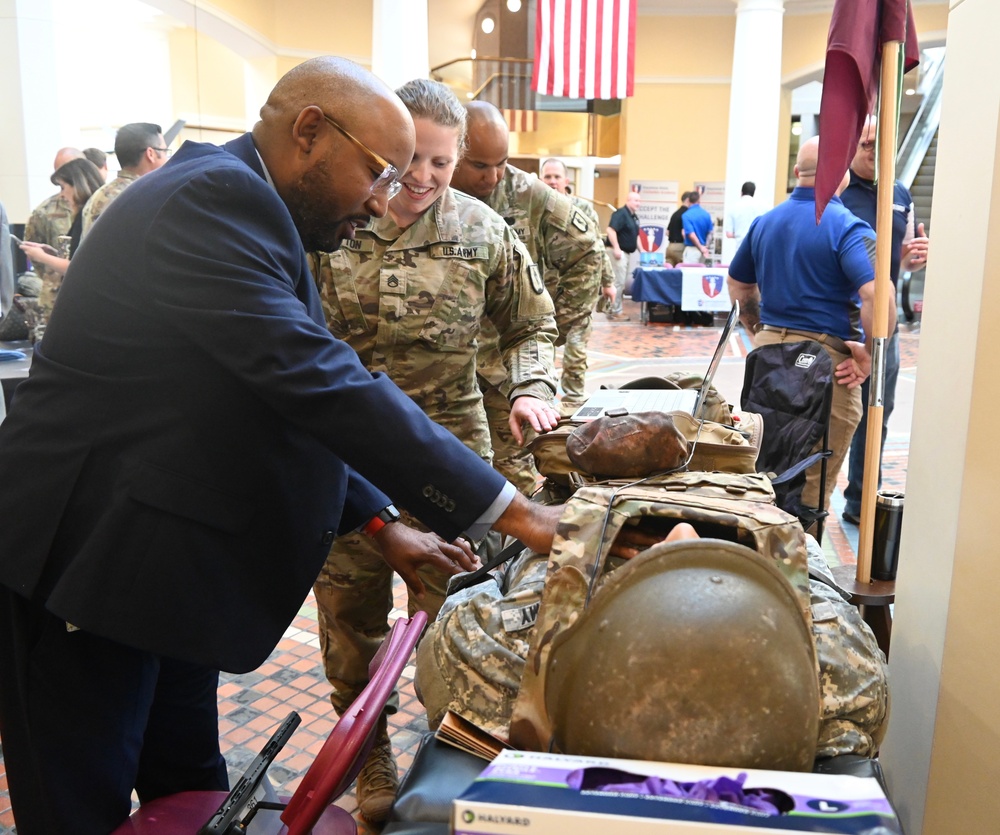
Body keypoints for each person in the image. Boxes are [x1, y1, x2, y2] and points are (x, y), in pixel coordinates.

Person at [0, 56, 563, 835]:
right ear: (309, 133)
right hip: (84, 563)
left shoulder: (253, 210)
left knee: (193, 782)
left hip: (163, 566)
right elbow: (313, 379)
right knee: (81, 803)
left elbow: (271, 395)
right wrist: (517, 513)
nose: (380, 202)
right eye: (377, 174)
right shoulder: (211, 200)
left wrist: (378, 521)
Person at [310, 78, 560, 823]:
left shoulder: (483, 232)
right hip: (345, 462)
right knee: (349, 625)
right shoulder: (334, 227)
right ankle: (369, 756)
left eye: (442, 164)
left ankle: (444, 756)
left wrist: (530, 385)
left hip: (450, 464)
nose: (421, 177)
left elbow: (533, 323)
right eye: (412, 157)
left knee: (458, 621)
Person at [417, 520, 889, 763]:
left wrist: (538, 561)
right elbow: (817, 578)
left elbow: (459, 611)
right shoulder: (842, 676)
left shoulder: (504, 657)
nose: (682, 533)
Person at [726, 135, 896, 519]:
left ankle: (758, 561)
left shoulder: (765, 223)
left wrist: (759, 333)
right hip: (822, 367)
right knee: (811, 483)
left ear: (796, 172)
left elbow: (738, 285)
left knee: (764, 469)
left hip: (767, 356)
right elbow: (877, 297)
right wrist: (870, 356)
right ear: (839, 172)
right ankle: (798, 570)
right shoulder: (847, 227)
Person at [451, 102, 602, 491]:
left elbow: (587, 249)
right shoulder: (426, 189)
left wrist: (556, 327)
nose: (493, 176)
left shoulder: (525, 193)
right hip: (444, 367)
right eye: (480, 165)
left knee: (510, 478)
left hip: (505, 369)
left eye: (501, 162)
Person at [839, 117, 930, 526]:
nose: (873, 149)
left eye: (880, 142)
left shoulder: (899, 193)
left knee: (879, 412)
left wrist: (913, 259)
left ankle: (861, 501)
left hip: (885, 328)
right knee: (835, 411)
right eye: (865, 142)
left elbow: (902, 261)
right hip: (842, 322)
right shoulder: (838, 191)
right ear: (852, 145)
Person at [539, 157, 616, 410]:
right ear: (541, 179)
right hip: (543, 296)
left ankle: (572, 405)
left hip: (580, 294)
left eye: (556, 177)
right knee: (541, 352)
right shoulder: (533, 210)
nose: (552, 181)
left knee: (575, 353)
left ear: (566, 180)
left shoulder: (583, 209)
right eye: (547, 176)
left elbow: (597, 249)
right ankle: (542, 400)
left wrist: (608, 282)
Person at [82, 122, 171, 235]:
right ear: (150, 154)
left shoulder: (99, 194)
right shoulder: (143, 197)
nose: (167, 159)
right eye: (165, 151)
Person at [19, 157, 105, 274]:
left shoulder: (92, 217)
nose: (61, 195)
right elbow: (77, 258)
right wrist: (53, 254)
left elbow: (79, 268)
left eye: (63, 188)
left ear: (78, 186)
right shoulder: (85, 215)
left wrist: (42, 257)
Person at [605, 188, 641, 322]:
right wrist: (616, 248)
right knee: (618, 283)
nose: (638, 203)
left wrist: (643, 252)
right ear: (628, 200)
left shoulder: (633, 217)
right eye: (636, 200)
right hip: (618, 254)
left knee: (621, 283)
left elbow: (635, 237)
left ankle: (613, 309)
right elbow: (610, 230)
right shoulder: (621, 214)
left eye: (639, 201)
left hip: (626, 254)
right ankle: (615, 311)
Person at [725, 181, 765, 247]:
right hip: (756, 248)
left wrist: (739, 233)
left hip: (740, 248)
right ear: (753, 193)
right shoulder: (762, 207)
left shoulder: (733, 207)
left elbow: (729, 234)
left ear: (741, 193)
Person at [681, 189, 714, 264]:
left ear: (688, 200)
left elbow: (691, 234)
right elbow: (710, 232)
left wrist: (701, 247)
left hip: (692, 250)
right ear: (699, 200)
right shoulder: (706, 214)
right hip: (703, 251)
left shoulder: (686, 215)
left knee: (689, 274)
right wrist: (705, 247)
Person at [665, 191, 691, 266]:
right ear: (688, 200)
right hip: (681, 247)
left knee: (668, 271)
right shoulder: (687, 215)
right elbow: (684, 233)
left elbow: (667, 232)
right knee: (680, 272)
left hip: (670, 246)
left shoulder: (675, 214)